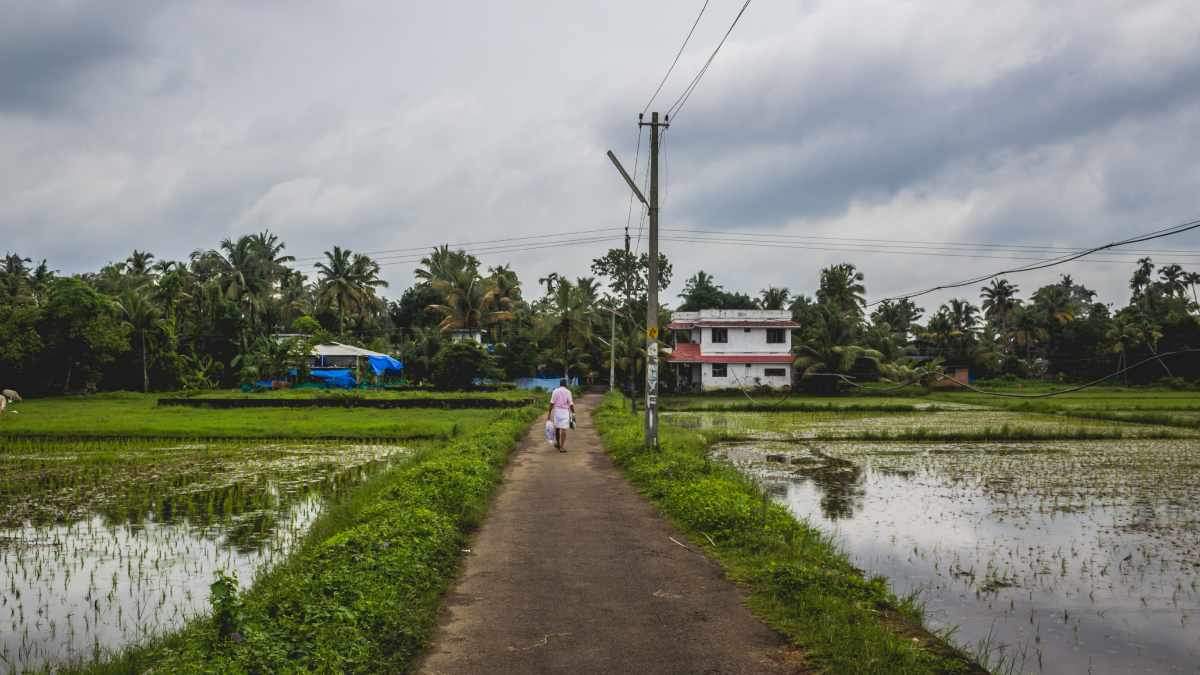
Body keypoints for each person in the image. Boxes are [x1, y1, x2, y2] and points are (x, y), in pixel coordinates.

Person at [547, 379, 575, 452]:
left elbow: (551, 403)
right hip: (565, 412)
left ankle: (558, 443)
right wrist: (573, 413)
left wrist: (549, 413)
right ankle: (562, 447)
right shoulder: (568, 392)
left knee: (557, 428)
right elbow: (571, 404)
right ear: (566, 384)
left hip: (557, 412)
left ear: (560, 384)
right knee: (564, 429)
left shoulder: (555, 391)